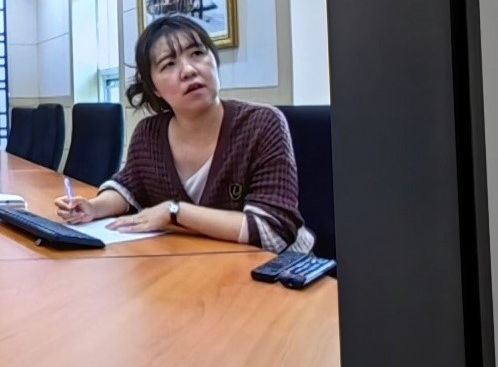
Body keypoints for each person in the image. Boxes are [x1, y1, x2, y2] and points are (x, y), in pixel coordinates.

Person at [55, 13, 315, 254]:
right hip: (201, 263)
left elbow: (272, 233)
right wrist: (93, 208)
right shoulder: (149, 134)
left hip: (280, 271)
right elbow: (128, 189)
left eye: (197, 53)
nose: (189, 70)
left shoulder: (261, 124)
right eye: (168, 64)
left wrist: (174, 212)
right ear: (154, 88)